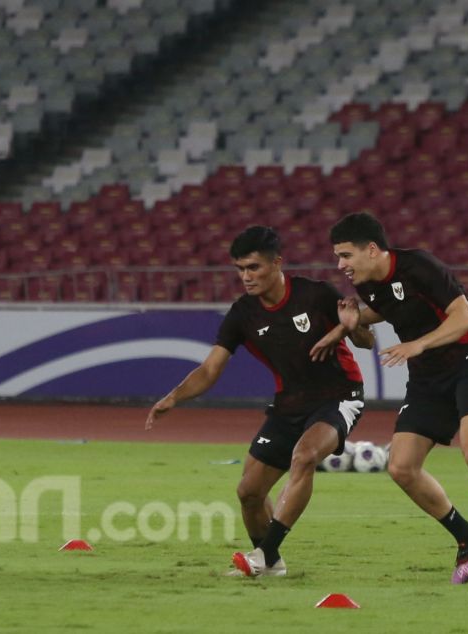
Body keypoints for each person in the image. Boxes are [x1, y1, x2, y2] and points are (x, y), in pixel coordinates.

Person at [146, 226, 373, 577]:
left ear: (277, 263)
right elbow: (210, 369)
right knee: (249, 492)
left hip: (339, 395)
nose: (246, 277)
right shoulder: (243, 314)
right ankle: (271, 566)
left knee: (306, 454)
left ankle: (264, 554)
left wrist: (353, 325)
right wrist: (174, 396)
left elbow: (366, 341)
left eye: (254, 268)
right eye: (240, 269)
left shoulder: (315, 295)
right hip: (288, 404)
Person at [329, 211, 468, 588]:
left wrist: (416, 343)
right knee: (401, 466)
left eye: (345, 255)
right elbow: (368, 337)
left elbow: (465, 317)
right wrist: (353, 324)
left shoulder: (419, 266)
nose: (340, 265)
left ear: (371, 250)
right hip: (427, 375)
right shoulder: (369, 286)